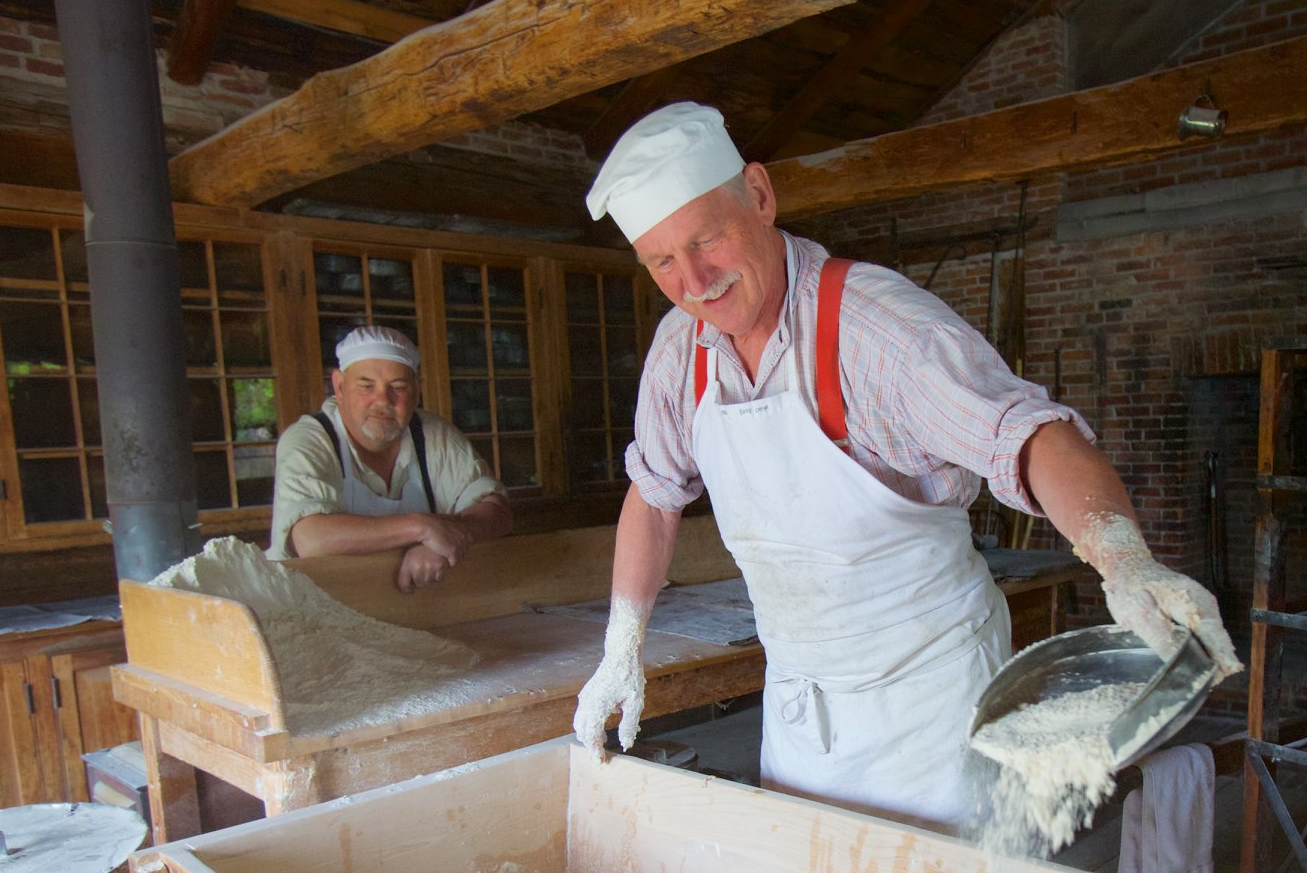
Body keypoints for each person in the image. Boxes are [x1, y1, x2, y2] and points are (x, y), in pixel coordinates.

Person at [571, 102, 1242, 832]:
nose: (694, 279)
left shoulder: (876, 329)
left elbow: (1030, 437)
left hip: (931, 699)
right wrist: (621, 646)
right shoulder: (681, 352)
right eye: (662, 262)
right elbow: (654, 492)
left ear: (759, 198)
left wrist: (1125, 563)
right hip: (800, 697)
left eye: (708, 240)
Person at [268, 325, 511, 590]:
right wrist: (422, 528)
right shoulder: (309, 440)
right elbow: (311, 539)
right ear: (339, 386)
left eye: (398, 387)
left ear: (417, 392)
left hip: (414, 606)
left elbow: (496, 511)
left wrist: (449, 539)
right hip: (312, 605)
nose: (383, 400)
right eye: (366, 386)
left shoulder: (434, 435)